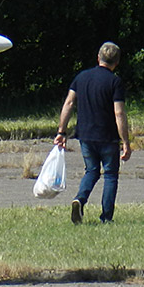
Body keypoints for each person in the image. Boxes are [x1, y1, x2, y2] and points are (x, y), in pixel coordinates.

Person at [55, 41, 133, 224]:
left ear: (98, 58)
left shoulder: (81, 77)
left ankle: (80, 199)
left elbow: (69, 103)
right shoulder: (115, 82)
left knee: (91, 171)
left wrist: (61, 131)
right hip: (108, 137)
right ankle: (106, 217)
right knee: (110, 175)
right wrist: (125, 141)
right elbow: (119, 113)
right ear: (117, 62)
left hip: (85, 135)